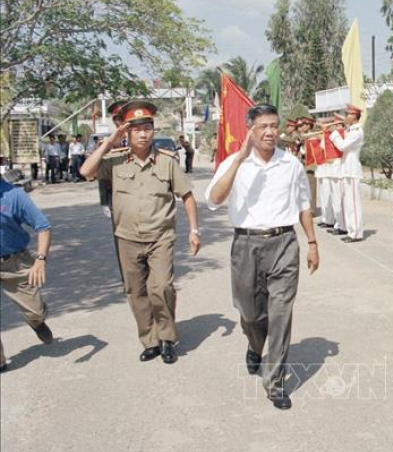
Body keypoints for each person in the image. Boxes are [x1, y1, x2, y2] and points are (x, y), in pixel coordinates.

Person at [206, 104, 319, 410]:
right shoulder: (235, 162)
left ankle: (276, 382)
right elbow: (215, 199)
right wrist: (240, 160)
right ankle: (255, 346)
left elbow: (304, 205)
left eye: (274, 126)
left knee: (281, 314)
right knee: (251, 314)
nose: (270, 132)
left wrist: (311, 242)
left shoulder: (291, 164)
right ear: (251, 130)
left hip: (284, 242)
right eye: (263, 127)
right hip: (246, 245)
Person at [80, 100, 201, 365]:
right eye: (136, 130)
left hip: (160, 237)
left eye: (147, 128)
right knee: (136, 291)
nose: (143, 134)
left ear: (153, 131)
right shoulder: (115, 162)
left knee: (161, 287)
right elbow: (85, 171)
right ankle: (150, 340)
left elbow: (188, 197)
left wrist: (194, 230)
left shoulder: (167, 163)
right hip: (126, 238)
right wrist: (112, 139)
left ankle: (168, 338)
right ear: (127, 132)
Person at [0, 177, 54, 372]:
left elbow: (43, 227)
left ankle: (36, 321)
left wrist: (40, 260)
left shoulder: (14, 195)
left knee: (35, 311)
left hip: (13, 263)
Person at [329, 104, 365, 242]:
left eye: (348, 114)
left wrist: (334, 134)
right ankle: (350, 229)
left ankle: (356, 233)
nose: (346, 117)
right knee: (348, 203)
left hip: (352, 170)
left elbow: (342, 146)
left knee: (354, 204)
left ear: (354, 116)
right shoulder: (351, 130)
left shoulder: (357, 132)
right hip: (346, 169)